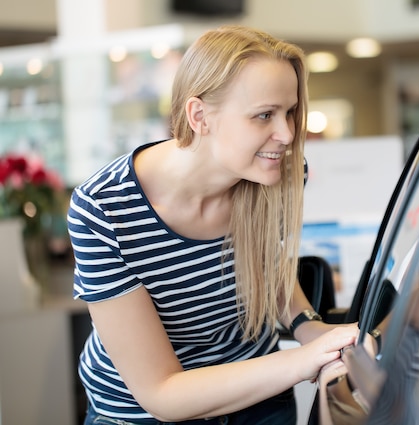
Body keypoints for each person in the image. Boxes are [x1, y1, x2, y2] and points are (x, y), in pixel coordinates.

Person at [67, 25, 359, 425]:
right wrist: (305, 360)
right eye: (264, 115)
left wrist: (306, 325)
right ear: (199, 115)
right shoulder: (103, 207)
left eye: (290, 112)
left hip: (258, 401)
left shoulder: (276, 174)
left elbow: (263, 262)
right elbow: (162, 394)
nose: (288, 134)